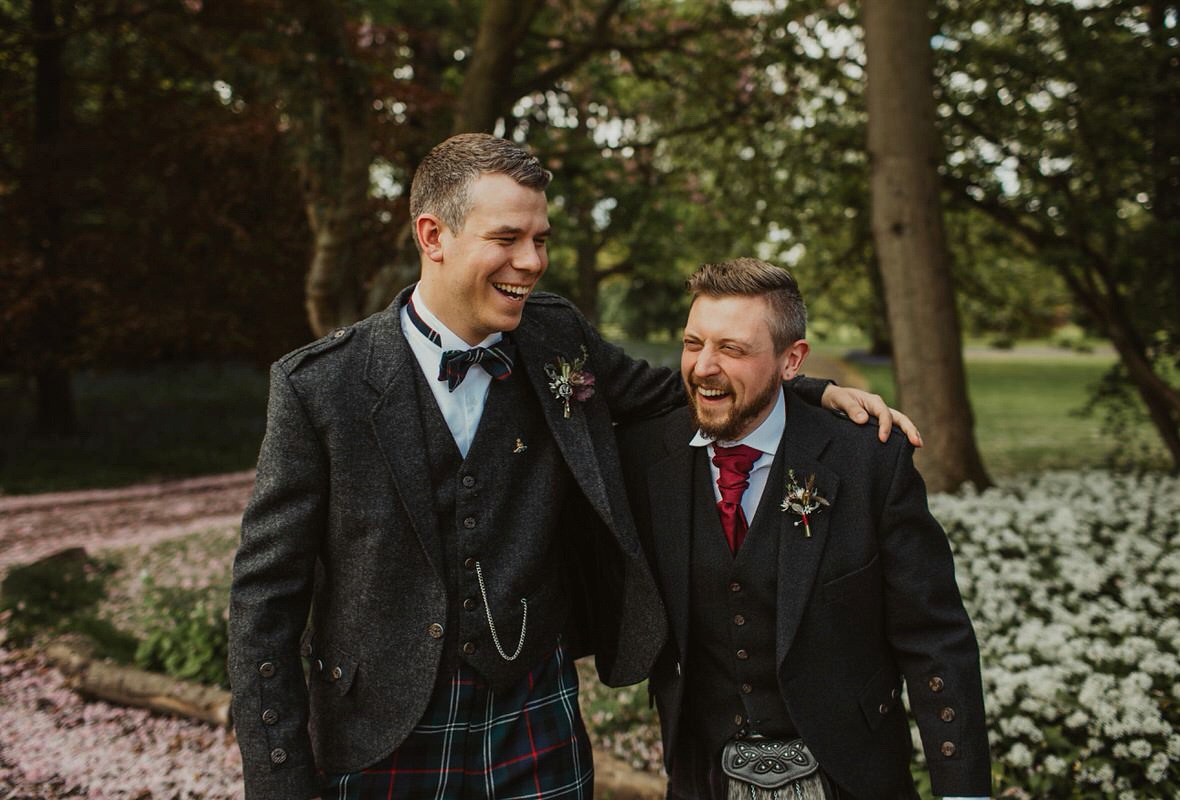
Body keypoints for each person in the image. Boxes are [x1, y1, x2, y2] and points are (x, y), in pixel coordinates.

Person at [227, 134, 919, 800]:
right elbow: (264, 601)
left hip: (534, 707)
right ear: (433, 237)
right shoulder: (321, 386)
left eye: (541, 239)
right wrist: (280, 780)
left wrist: (809, 390)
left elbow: (670, 393)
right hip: (379, 726)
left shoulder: (556, 336)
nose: (531, 261)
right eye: (507, 239)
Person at [616, 258, 990, 800]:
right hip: (703, 778)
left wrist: (962, 790)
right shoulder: (649, 454)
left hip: (853, 778)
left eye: (733, 349)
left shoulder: (868, 461)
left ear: (792, 360)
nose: (702, 367)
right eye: (693, 343)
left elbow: (934, 637)